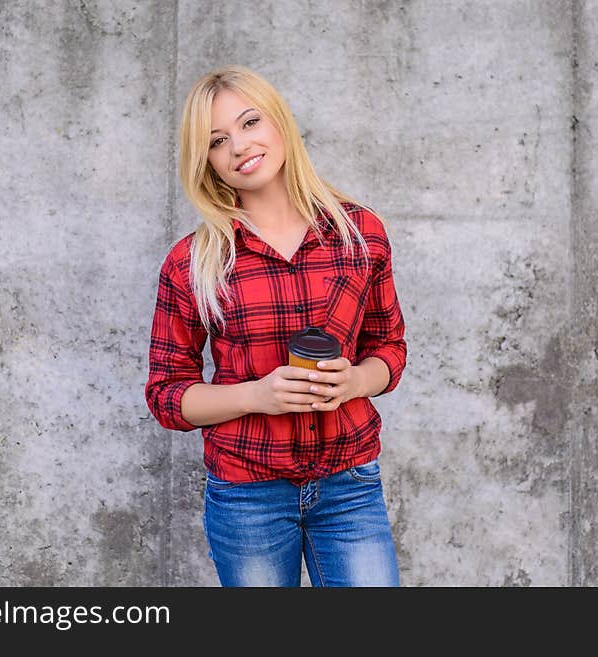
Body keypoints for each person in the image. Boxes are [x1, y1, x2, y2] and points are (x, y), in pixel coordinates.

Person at [145, 65, 407, 587]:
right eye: (217, 141)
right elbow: (167, 396)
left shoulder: (360, 235)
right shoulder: (193, 262)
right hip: (248, 496)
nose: (239, 146)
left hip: (349, 485)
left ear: (279, 123)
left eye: (249, 123)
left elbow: (389, 348)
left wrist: (355, 381)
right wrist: (257, 396)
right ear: (208, 163)